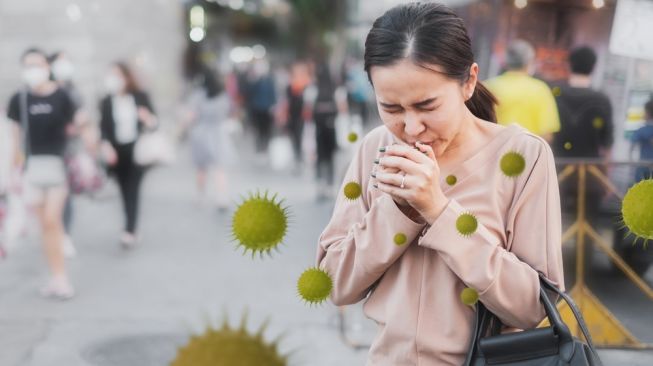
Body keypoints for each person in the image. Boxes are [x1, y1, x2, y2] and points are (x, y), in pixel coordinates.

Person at [315, 3, 564, 365]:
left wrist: (439, 210)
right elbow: (335, 283)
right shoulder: (375, 149)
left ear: (469, 82)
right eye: (392, 109)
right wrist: (397, 212)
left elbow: (531, 306)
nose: (411, 128)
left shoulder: (523, 156)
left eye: (427, 105)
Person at [7, 48, 76, 299]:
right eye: (27, 65)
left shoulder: (62, 96)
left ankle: (62, 277)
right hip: (32, 168)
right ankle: (55, 276)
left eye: (36, 64)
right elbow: (16, 136)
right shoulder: (20, 99)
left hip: (58, 166)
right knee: (43, 227)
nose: (32, 69)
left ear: (47, 67)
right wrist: (13, 170)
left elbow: (75, 126)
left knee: (51, 220)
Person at [99, 62, 157, 249]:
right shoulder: (106, 101)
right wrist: (106, 145)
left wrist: (146, 118)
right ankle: (129, 225)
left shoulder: (140, 97)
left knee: (133, 189)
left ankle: (130, 229)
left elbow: (154, 123)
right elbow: (104, 128)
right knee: (123, 190)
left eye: (117, 75)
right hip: (116, 152)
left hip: (136, 150)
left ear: (126, 77)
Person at [552, 46, 614, 218]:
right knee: (587, 225)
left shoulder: (554, 93)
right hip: (590, 173)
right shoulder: (602, 99)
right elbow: (607, 143)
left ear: (569, 65)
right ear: (594, 67)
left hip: (556, 170)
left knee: (552, 224)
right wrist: (605, 178)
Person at [486, 40, 560, 143]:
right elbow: (547, 133)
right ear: (529, 62)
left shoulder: (488, 87)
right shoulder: (540, 89)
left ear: (506, 61)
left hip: (493, 153)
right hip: (527, 155)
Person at [185, 68, 236, 210]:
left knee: (201, 168)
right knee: (219, 167)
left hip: (201, 132)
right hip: (218, 133)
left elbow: (191, 115)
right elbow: (229, 111)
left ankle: (201, 195)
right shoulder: (223, 95)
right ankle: (222, 197)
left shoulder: (199, 95)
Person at [630, 97, 653, 182]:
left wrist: (631, 161)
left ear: (647, 113)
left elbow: (632, 147)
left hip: (643, 165)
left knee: (641, 189)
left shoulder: (642, 130)